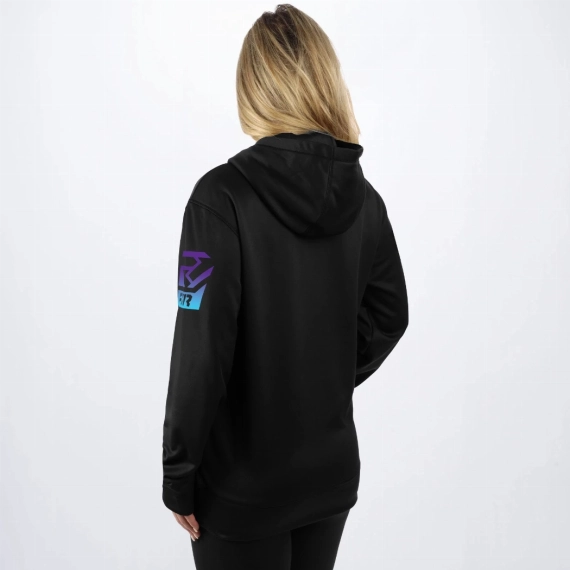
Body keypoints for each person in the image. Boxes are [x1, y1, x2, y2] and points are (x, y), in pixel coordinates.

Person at [161, 4, 409, 569]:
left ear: (254, 86)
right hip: (328, 479)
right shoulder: (364, 198)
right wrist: (318, 380)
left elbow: (201, 348)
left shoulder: (219, 198)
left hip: (241, 490)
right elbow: (390, 314)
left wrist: (179, 474)